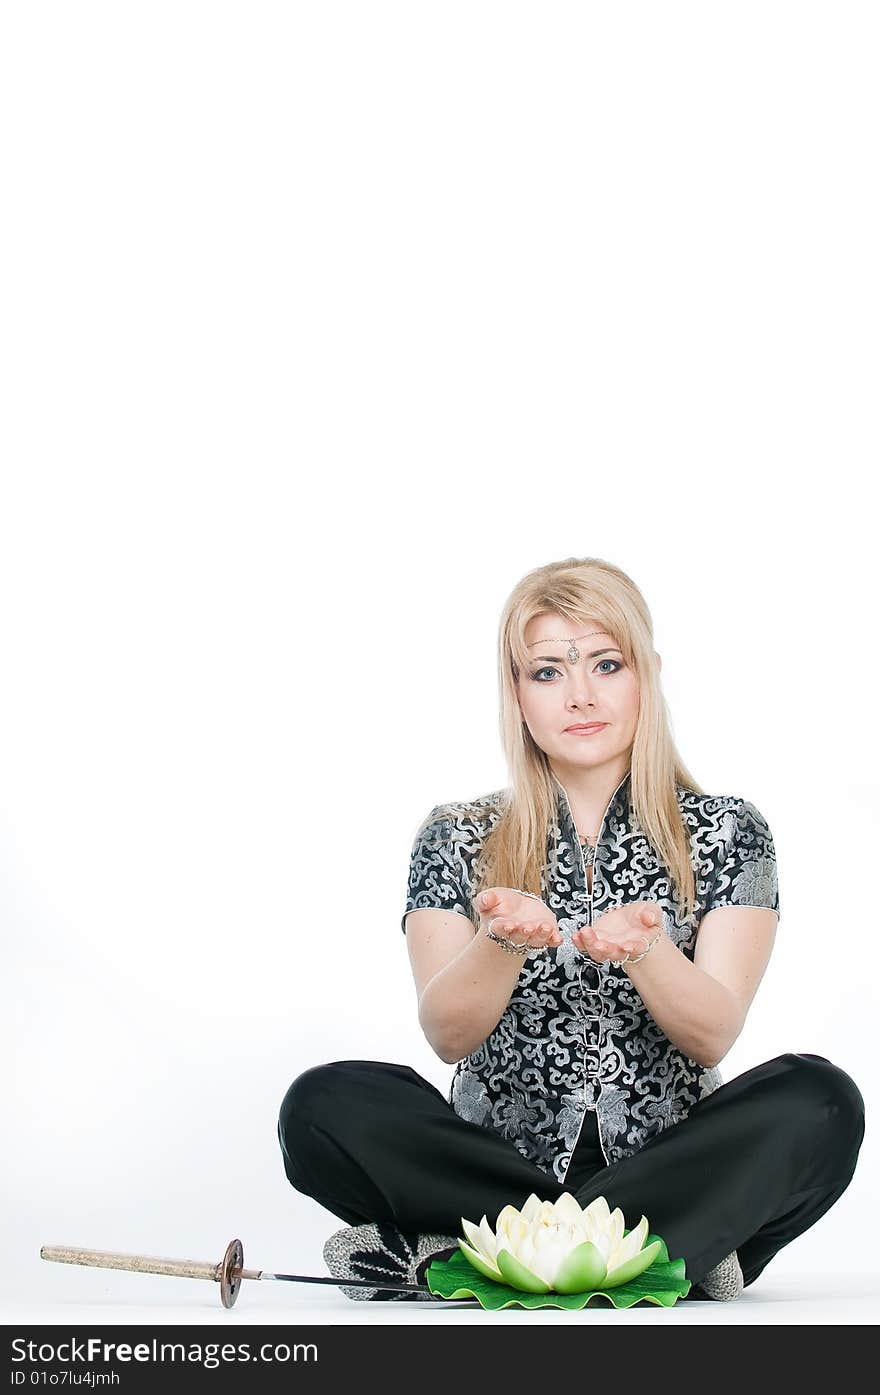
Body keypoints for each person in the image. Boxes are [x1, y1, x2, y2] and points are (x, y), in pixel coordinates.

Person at [277, 556, 865, 1303]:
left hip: (668, 1171)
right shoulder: (457, 834)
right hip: (496, 1175)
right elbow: (447, 1035)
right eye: (548, 671)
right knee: (322, 1105)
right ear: (516, 692)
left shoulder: (728, 831)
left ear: (646, 674)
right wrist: (502, 943)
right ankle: (663, 1257)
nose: (580, 695)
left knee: (822, 1099)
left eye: (605, 664)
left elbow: (713, 1034)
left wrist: (649, 951)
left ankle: (476, 1258)